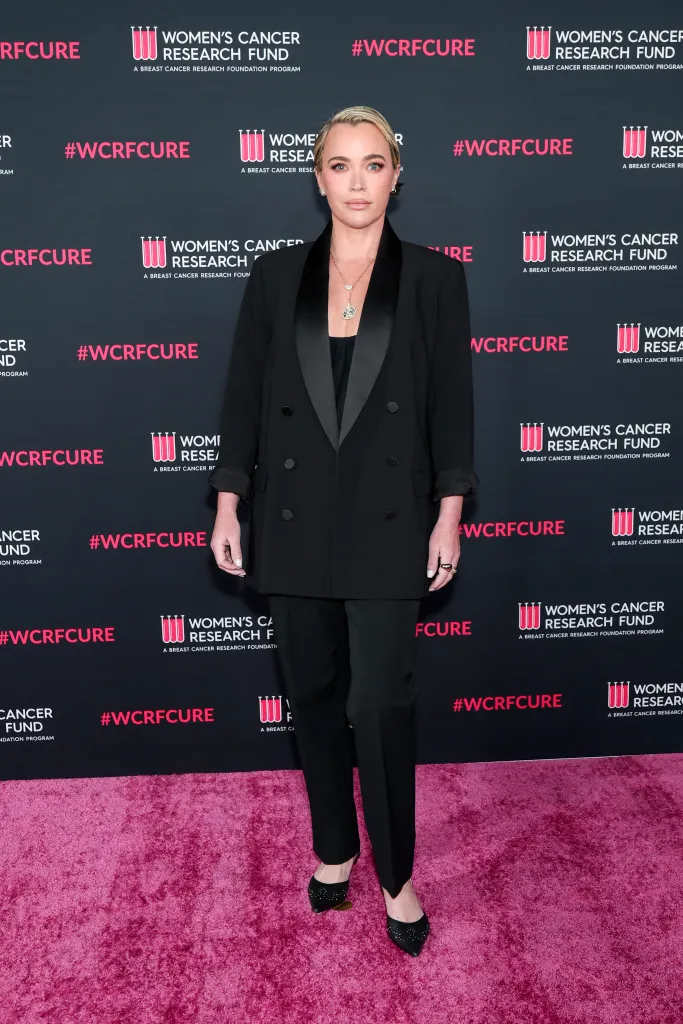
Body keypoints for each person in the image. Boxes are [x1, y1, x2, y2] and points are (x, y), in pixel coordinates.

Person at [208, 105, 477, 957]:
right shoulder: (272, 275)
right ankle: (335, 848)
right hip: (293, 522)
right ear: (315, 177)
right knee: (316, 700)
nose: (355, 182)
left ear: (397, 176)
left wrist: (449, 512)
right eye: (339, 166)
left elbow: (451, 409)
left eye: (372, 165)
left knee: (379, 701)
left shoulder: (435, 280)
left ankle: (396, 873)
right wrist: (226, 499)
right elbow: (245, 397)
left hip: (389, 522)